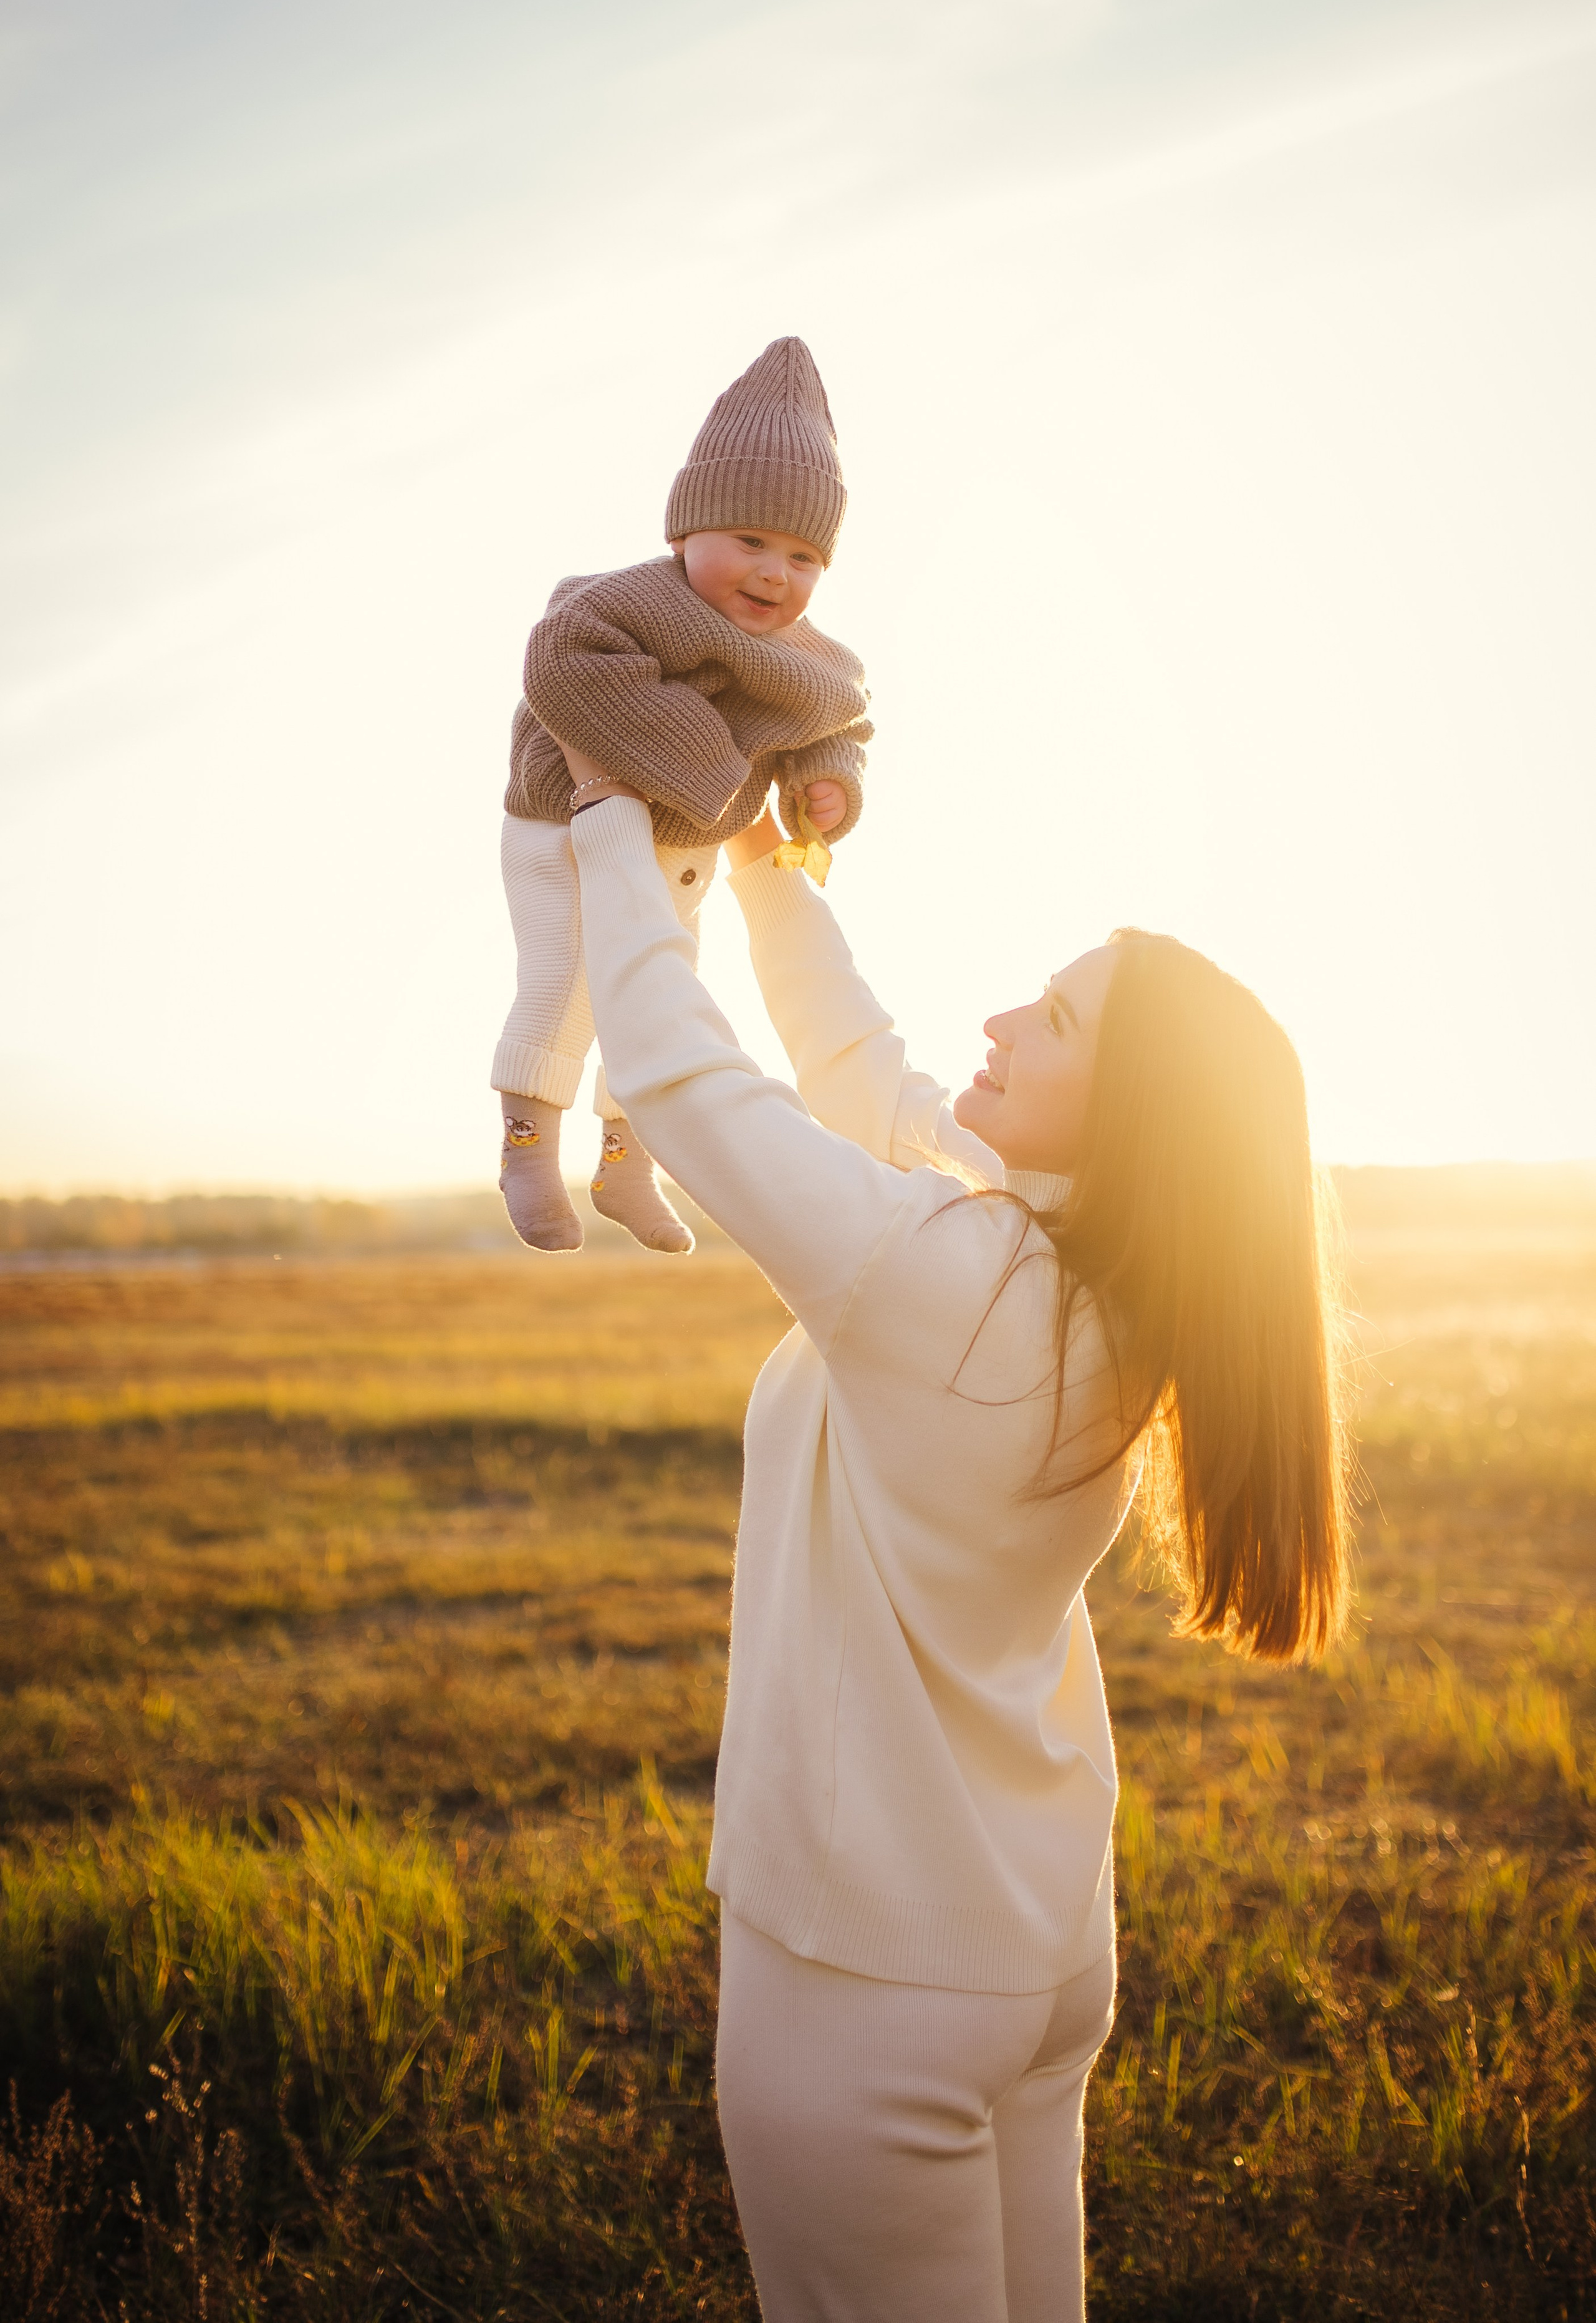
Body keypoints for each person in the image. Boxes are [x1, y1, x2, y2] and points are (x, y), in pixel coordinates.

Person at [560, 755, 1352, 2323]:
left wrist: (606, 814)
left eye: (1050, 1020)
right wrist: (770, 871)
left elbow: (680, 1077)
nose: (999, 1021)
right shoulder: (1088, 1272)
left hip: (866, 1988)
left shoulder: (953, 1276)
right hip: (1030, 1952)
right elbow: (864, 1073)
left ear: (1119, 1114)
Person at [491, 336, 871, 1255]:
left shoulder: (811, 659)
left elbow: (837, 726)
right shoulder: (626, 604)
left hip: (684, 847)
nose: (775, 573)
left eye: (803, 556)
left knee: (658, 991)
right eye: (749, 541)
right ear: (685, 531)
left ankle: (628, 1163)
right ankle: (528, 1153)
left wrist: (827, 786)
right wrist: (716, 773)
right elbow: (562, 662)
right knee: (569, 979)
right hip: (565, 823)